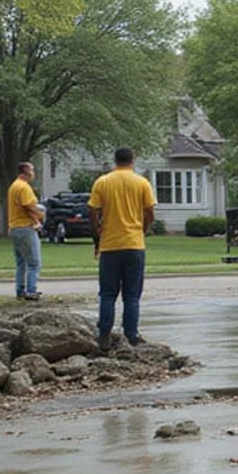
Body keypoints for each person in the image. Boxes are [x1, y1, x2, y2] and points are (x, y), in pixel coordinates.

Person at [86, 146, 157, 348]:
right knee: (132, 295)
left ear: (115, 161)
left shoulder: (103, 182)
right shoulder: (142, 183)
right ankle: (131, 334)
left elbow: (92, 211)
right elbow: (150, 212)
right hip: (134, 244)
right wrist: (142, 229)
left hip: (110, 245)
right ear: (132, 160)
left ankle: (105, 335)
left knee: (108, 293)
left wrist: (96, 234)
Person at [6, 161, 45, 301]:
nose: (33, 173)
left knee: (21, 262)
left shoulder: (14, 186)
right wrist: (38, 218)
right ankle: (31, 290)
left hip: (15, 227)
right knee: (34, 262)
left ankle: (20, 290)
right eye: (32, 170)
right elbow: (28, 206)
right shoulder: (23, 187)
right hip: (25, 228)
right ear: (26, 172)